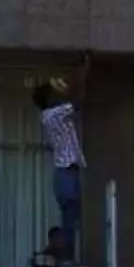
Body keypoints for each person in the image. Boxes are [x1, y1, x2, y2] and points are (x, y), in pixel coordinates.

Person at [33, 78, 84, 253]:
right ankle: (67, 258)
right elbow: (78, 103)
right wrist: (84, 71)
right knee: (70, 220)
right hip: (66, 173)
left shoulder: (50, 115)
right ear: (48, 99)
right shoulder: (54, 113)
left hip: (66, 173)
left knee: (72, 219)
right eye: (54, 93)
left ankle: (66, 255)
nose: (58, 94)